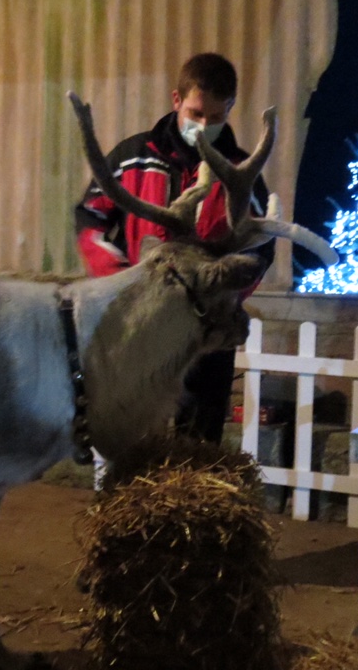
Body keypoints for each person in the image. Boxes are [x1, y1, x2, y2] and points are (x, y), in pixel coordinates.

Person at [73, 52, 275, 444]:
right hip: (140, 323)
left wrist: (221, 289)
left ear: (230, 108)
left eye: (215, 118)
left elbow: (259, 251)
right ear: (176, 100)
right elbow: (91, 218)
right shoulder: (130, 157)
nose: (203, 127)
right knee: (131, 434)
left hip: (204, 331)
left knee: (197, 442)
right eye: (196, 114)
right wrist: (119, 282)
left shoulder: (239, 174)